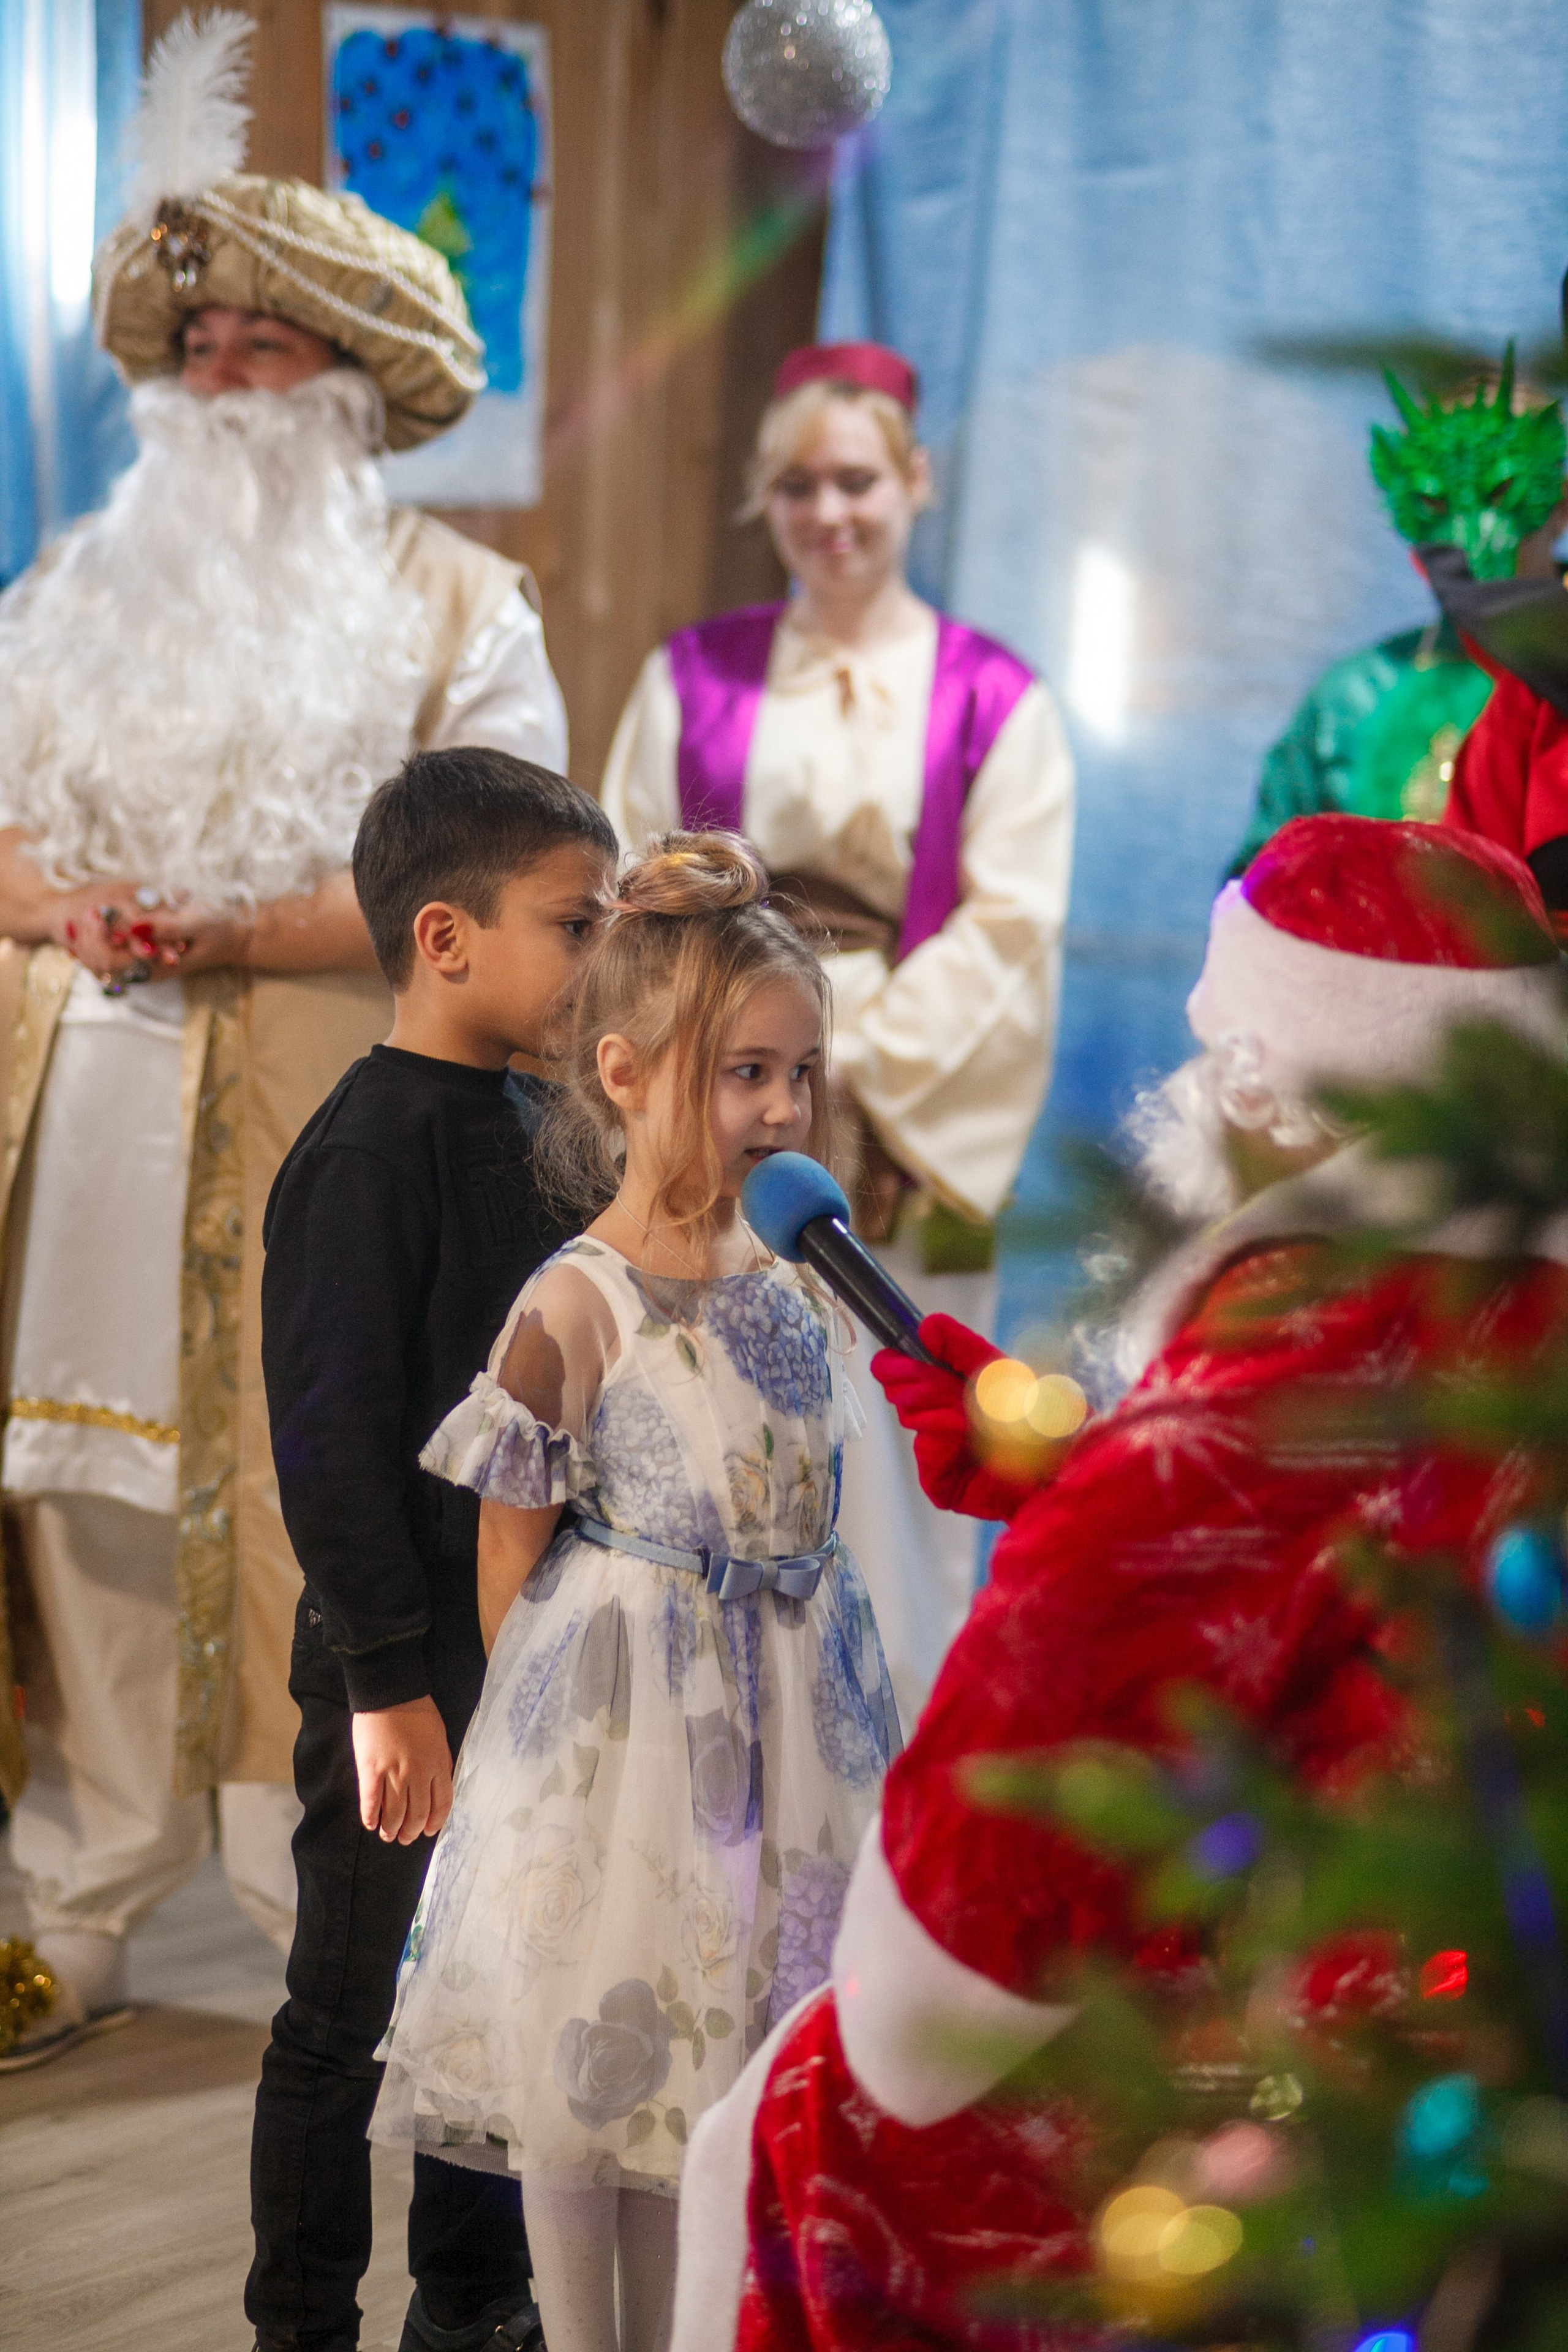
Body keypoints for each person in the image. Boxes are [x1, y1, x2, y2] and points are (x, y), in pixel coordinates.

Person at [667, 813, 1568, 2352]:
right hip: (1457, 1940)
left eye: (1216, 1041)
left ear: (1281, 1084)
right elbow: (1339, 1551)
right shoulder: (1502, 1276)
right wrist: (1081, 1463)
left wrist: (911, 2009)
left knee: (792, 2110)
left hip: (1333, 2006)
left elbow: (1043, 1732)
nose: (1188, 1082)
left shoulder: (1310, 1323)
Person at [0, 10, 566, 2062]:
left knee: (312, 1484)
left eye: (263, 348)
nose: (216, 381)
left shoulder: (453, 609)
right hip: (95, 1109)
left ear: (350, 385)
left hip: (345, 1121)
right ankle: (74, 1895)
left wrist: (247, 923)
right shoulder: (77, 583)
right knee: (95, 1498)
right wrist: (67, 903)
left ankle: (324, 1904)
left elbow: (508, 893)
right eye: (196, 349)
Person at [369, 832, 901, 2352]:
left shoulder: (801, 1268)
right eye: (743, 1073)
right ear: (622, 1071)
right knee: (586, 2072)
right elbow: (507, 1549)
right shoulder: (574, 1298)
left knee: (714, 2063)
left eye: (798, 1072)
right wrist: (539, 1767)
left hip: (793, 1717)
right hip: (628, 1737)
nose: (782, 1109)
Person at [601, 341, 1074, 1730]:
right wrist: (736, 1070)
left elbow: (1008, 928)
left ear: (913, 482)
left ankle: (908, 1768)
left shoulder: (997, 698)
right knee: (720, 1438)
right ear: (766, 497)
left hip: (906, 1132)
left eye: (856, 479)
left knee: (923, 1453)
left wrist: (824, 1062)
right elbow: (638, 885)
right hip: (722, 1113)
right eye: (797, 484)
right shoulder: (690, 678)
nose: (830, 512)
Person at [248, 750, 617, 2352]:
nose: (599, 959)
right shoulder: (366, 1150)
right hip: (399, 1671)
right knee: (350, 2015)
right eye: (574, 923)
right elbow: (327, 1443)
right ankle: (301, 2323)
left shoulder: (539, 1120)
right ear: (447, 939)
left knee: (493, 2007)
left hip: (531, 1654)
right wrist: (386, 1691)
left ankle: (475, 2312)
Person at [1226, 357, 1566, 876]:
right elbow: (1266, 883)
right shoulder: (1353, 699)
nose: (1467, 532)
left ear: (1561, 506)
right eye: (1434, 502)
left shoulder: (1556, 678)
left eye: (1500, 493)